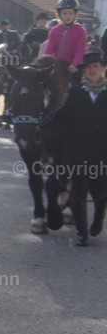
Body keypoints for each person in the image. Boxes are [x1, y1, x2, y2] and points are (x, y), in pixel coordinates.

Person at [40, 52, 107, 246]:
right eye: (88, 67)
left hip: (103, 153)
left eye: (95, 66)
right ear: (83, 71)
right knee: (79, 191)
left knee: (101, 191)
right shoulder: (74, 93)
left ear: (103, 68)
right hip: (78, 152)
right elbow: (60, 120)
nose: (92, 70)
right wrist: (42, 130)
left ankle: (98, 219)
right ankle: (82, 231)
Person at [42, 0, 87, 71]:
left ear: (75, 14)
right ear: (60, 15)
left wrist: (75, 64)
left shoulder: (80, 30)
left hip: (74, 66)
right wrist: (45, 61)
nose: (67, 16)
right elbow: (48, 49)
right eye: (64, 13)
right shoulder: (54, 30)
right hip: (57, 65)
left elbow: (80, 50)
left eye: (71, 13)